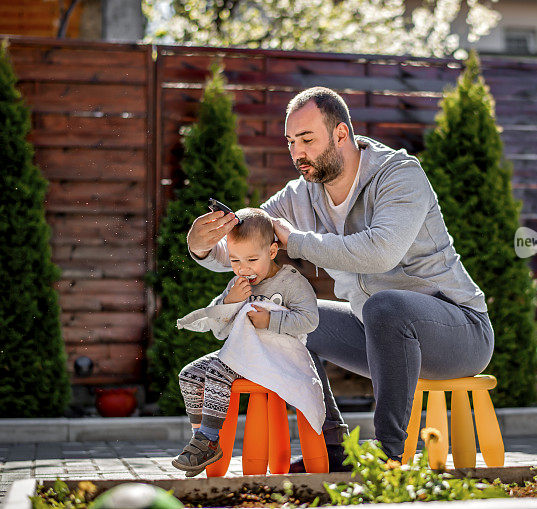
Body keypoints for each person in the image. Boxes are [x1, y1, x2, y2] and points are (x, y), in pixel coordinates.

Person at [187, 87, 494, 471]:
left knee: (387, 304)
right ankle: (334, 450)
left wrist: (296, 240)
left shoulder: (398, 175)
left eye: (307, 139)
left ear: (341, 134)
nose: (297, 153)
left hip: (460, 331)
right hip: (377, 331)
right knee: (292, 318)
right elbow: (251, 249)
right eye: (290, 142)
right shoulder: (302, 195)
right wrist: (202, 246)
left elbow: (381, 252)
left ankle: (389, 456)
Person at [173, 208, 320, 477]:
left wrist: (270, 322)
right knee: (190, 374)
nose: (244, 268)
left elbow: (310, 320)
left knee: (219, 370)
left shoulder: (291, 283)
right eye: (235, 260)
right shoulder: (237, 283)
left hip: (278, 356)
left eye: (252, 259)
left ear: (272, 251)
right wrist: (229, 303)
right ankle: (203, 440)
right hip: (244, 353)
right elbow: (219, 331)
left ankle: (207, 437)